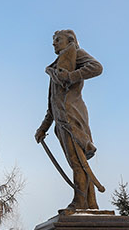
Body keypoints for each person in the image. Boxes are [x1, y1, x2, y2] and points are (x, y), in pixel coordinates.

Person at [36, 29, 105, 210]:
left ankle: (79, 203)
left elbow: (97, 67)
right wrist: (44, 127)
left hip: (72, 118)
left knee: (78, 163)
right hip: (61, 122)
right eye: (54, 40)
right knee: (79, 163)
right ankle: (90, 204)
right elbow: (53, 104)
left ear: (70, 41)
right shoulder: (57, 66)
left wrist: (71, 76)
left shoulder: (75, 53)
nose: (54, 43)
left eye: (58, 40)